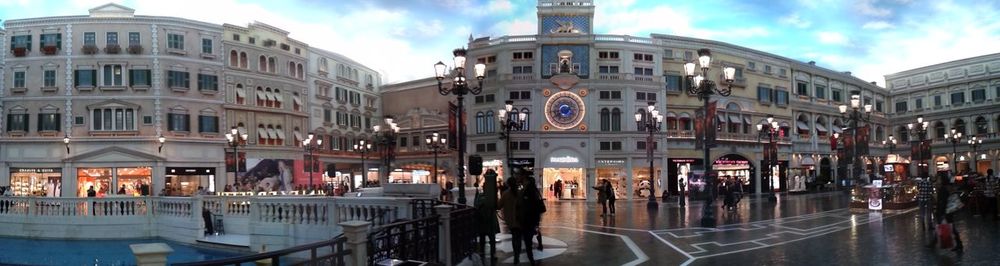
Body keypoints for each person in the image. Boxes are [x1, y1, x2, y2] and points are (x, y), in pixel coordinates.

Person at [930, 172, 963, 253]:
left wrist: (941, 213)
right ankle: (934, 242)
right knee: (947, 226)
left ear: (942, 180)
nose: (937, 180)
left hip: (945, 211)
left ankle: (959, 244)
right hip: (948, 211)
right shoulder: (948, 187)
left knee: (948, 227)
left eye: (939, 178)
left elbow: (942, 202)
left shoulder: (943, 189)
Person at [498, 178, 528, 265]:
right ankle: (517, 255)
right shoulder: (520, 193)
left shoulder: (505, 194)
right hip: (519, 219)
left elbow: (499, 205)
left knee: (515, 238)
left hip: (510, 221)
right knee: (518, 238)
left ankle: (516, 255)